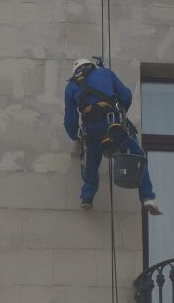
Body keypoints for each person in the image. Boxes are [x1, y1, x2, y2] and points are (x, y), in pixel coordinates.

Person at [64, 58, 162, 214]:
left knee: (91, 160)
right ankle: (148, 197)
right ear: (91, 66)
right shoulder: (106, 73)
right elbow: (126, 96)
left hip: (92, 129)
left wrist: (75, 137)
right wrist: (121, 111)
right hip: (113, 123)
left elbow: (70, 119)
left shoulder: (71, 86)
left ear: (75, 72)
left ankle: (87, 197)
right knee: (137, 153)